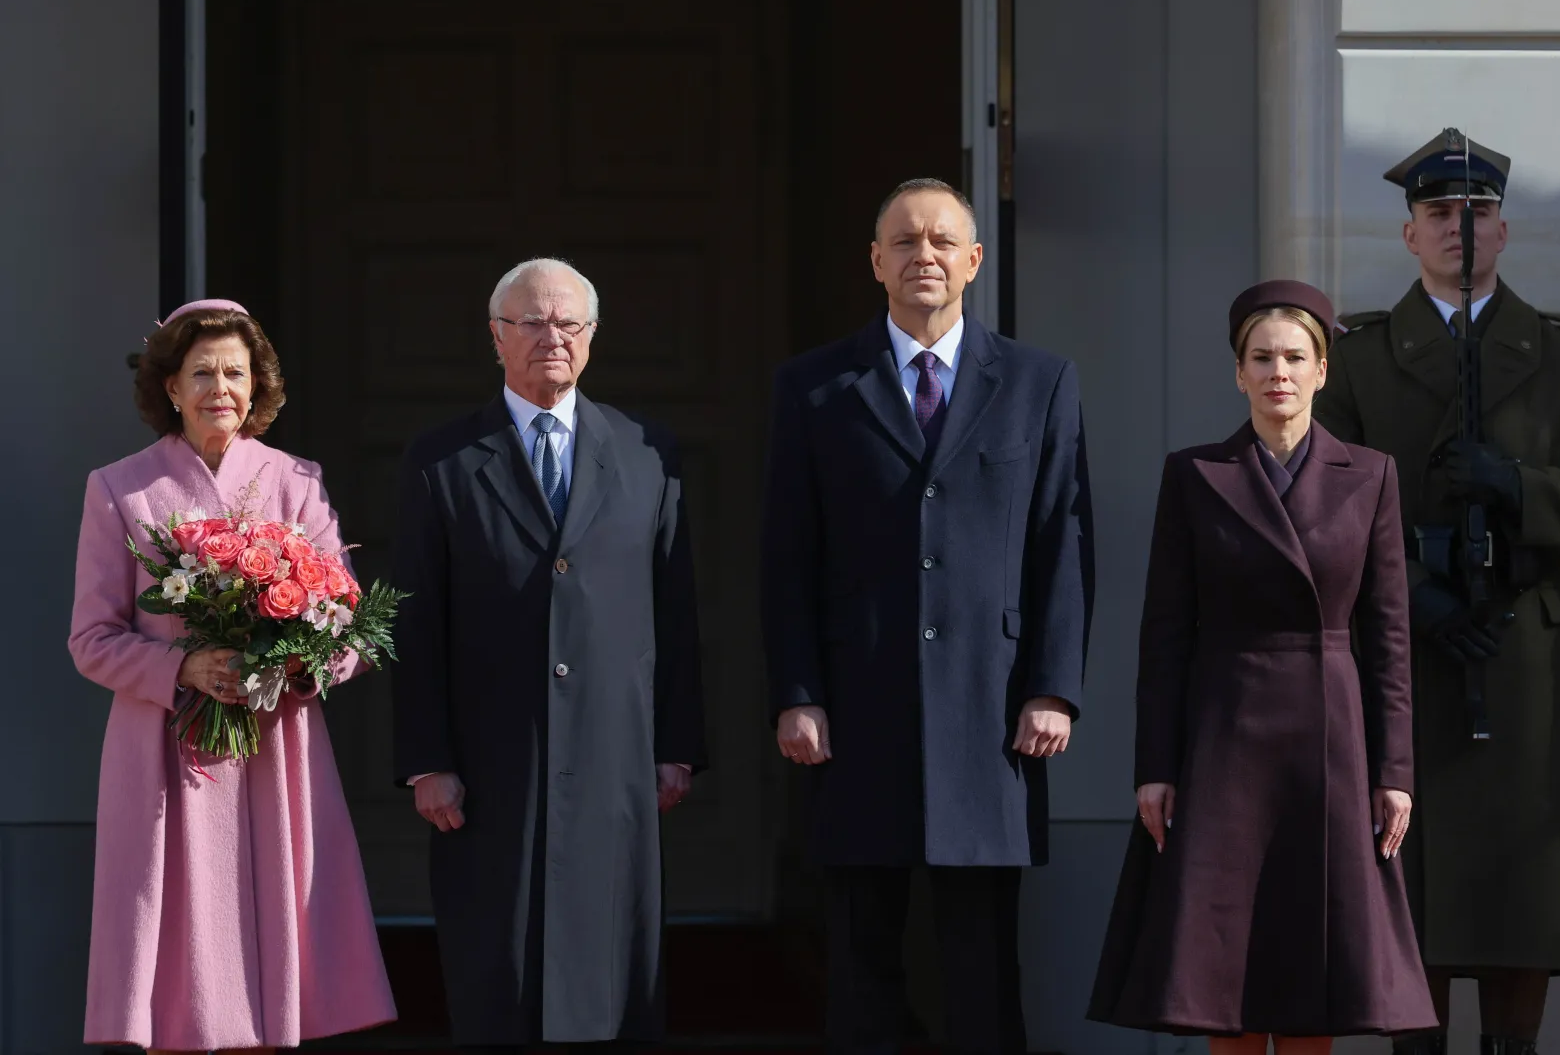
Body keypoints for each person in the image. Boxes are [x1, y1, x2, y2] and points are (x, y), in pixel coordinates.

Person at [761, 178, 1091, 1055]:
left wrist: (1053, 687)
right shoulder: (813, 387)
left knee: (981, 964)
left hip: (993, 709)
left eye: (943, 241)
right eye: (905, 242)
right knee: (862, 955)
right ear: (876, 262)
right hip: (856, 710)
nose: (925, 256)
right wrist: (798, 691)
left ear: (974, 261)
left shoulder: (1039, 383)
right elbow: (788, 555)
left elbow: (1062, 544)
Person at [1314, 130, 1560, 1055]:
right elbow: (1320, 498)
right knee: (1414, 878)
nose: (1461, 227)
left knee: (1526, 889)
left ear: (1503, 230)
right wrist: (1411, 592)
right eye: (1440, 212)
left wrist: (1520, 487)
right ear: (1411, 234)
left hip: (1524, 644)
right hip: (1407, 644)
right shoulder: (1357, 356)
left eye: (1478, 211)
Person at [1088, 280, 1437, 1053]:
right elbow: (1165, 636)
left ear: (1322, 370)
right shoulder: (1195, 474)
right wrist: (1156, 767)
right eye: (1262, 358)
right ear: (1238, 373)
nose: (1279, 372)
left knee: (1317, 969)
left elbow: (1388, 639)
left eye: (1295, 357)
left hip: (1330, 742)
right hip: (1223, 740)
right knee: (1224, 973)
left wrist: (1395, 771)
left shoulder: (1372, 474)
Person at [392, 258, 706, 1052]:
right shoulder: (441, 460)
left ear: (592, 337)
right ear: (496, 337)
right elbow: (416, 622)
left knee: (611, 978)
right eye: (531, 322)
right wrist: (427, 760)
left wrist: (677, 746)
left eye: (569, 323)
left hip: (614, 758)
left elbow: (675, 611)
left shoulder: (646, 452)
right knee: (498, 971)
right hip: (490, 764)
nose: (552, 337)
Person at [68, 300, 396, 1054]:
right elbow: (90, 640)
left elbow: (345, 625)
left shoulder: (296, 480)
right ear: (171, 387)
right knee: (178, 980)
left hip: (275, 752)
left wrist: (296, 661)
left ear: (257, 386)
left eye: (236, 373)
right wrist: (182, 664)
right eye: (203, 373)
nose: (221, 388)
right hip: (165, 755)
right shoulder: (120, 488)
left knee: (272, 969)